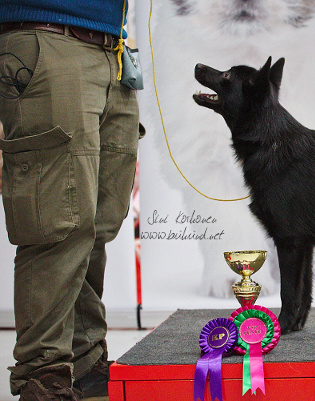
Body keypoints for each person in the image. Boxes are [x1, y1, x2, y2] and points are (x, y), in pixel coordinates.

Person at [0, 1, 140, 399]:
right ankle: (44, 375)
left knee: (98, 221)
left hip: (111, 52)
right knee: (57, 221)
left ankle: (83, 362)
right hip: (47, 39)